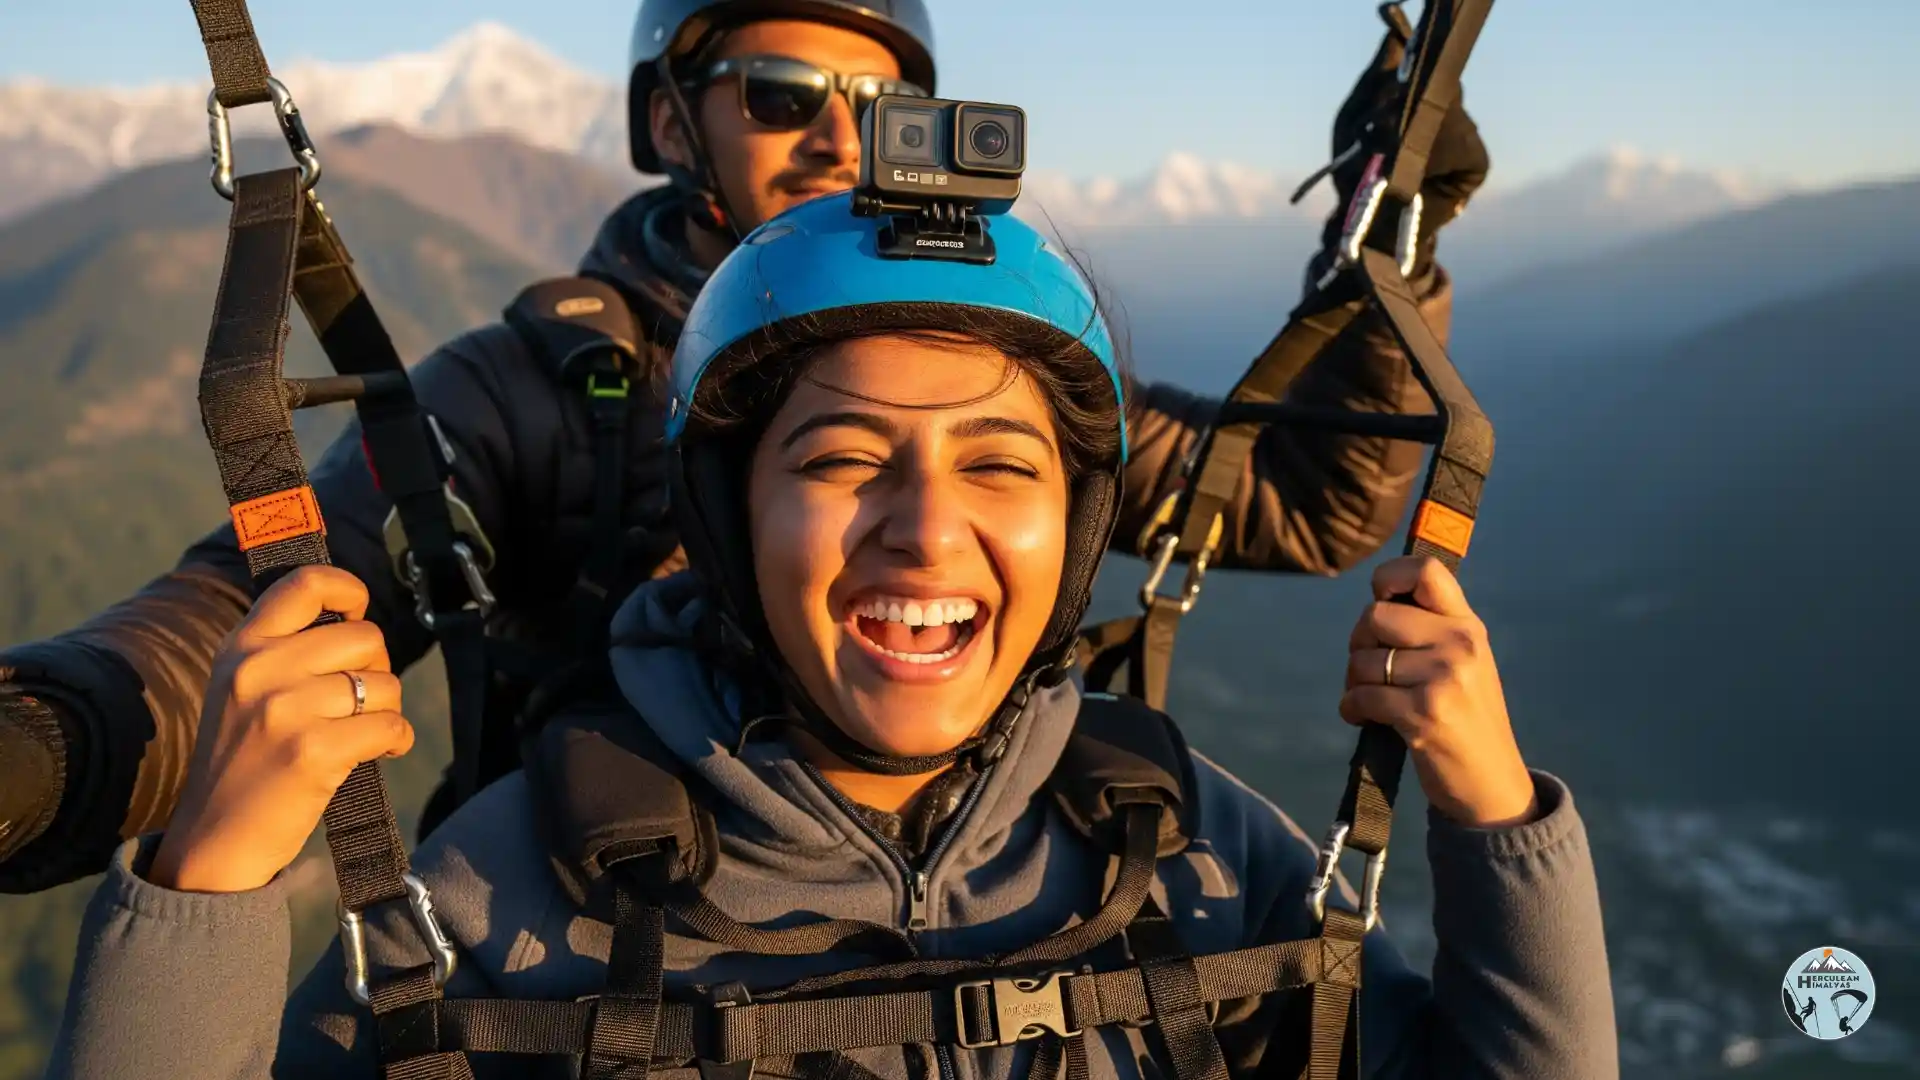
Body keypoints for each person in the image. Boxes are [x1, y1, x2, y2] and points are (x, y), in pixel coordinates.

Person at [45, 187, 1613, 1080]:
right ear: (727, 517)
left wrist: (1498, 816)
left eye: (1001, 467)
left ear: (1078, 530)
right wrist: (206, 887)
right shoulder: (509, 898)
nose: (925, 531)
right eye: (844, 459)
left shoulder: (1193, 852)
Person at [0, 0, 1489, 893]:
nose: (838, 138)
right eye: (782, 96)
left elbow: (1294, 500)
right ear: (671, 124)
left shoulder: (982, 372)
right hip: (594, 943)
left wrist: (1389, 248)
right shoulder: (541, 391)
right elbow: (262, 605)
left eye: (882, 106)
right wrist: (54, 743)